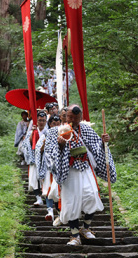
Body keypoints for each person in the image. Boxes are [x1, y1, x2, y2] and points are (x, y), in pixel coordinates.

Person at [45, 104, 116, 245]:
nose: (72, 120)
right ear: (65, 116)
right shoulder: (55, 131)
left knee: (92, 196)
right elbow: (49, 153)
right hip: (69, 170)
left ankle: (86, 228)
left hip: (85, 167)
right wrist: (60, 146)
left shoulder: (86, 130)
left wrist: (103, 142)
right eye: (70, 117)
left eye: (76, 118)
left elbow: (96, 147)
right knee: (72, 202)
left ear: (81, 117)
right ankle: (74, 235)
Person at [35, 114, 61, 221]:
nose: (55, 126)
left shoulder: (63, 135)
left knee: (57, 190)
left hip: (59, 167)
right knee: (47, 189)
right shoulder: (44, 136)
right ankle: (49, 210)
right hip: (47, 168)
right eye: (53, 124)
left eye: (57, 123)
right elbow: (38, 151)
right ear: (49, 124)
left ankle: (59, 212)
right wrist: (43, 146)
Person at [22, 111, 48, 206]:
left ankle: (46, 197)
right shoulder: (32, 132)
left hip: (44, 159)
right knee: (34, 179)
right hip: (34, 159)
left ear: (46, 121)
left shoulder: (48, 132)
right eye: (40, 120)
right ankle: (38, 198)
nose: (41, 122)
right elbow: (26, 145)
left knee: (45, 179)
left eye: (43, 120)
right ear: (36, 121)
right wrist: (32, 134)